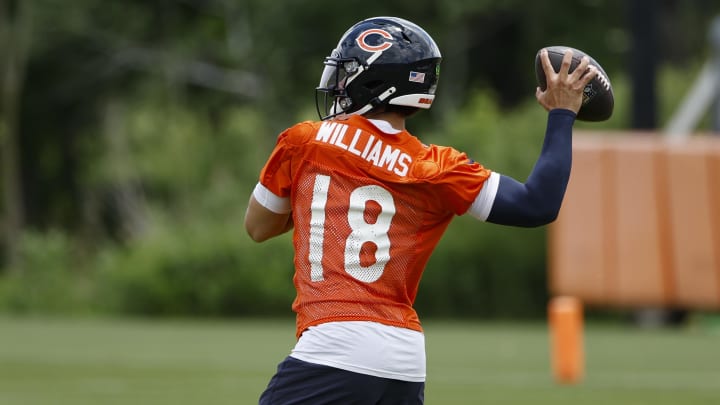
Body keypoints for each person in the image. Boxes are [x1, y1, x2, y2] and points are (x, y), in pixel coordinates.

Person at [244, 16, 596, 405]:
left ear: (374, 81)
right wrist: (562, 115)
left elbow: (258, 226)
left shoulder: (306, 141)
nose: (339, 85)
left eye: (348, 75)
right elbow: (537, 204)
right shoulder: (436, 167)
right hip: (404, 359)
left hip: (333, 343)